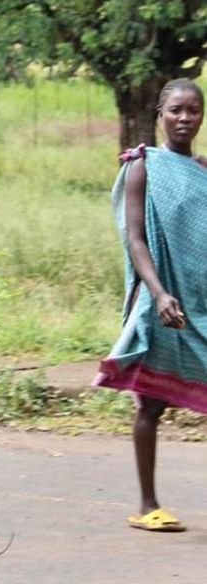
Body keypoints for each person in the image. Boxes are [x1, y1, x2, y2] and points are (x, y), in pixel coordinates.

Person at [95, 78, 207, 533]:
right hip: (162, 301)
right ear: (160, 113)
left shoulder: (203, 169)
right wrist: (160, 293)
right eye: (176, 110)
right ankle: (147, 505)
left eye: (194, 111)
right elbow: (136, 238)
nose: (185, 118)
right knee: (152, 407)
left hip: (201, 300)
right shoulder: (143, 166)